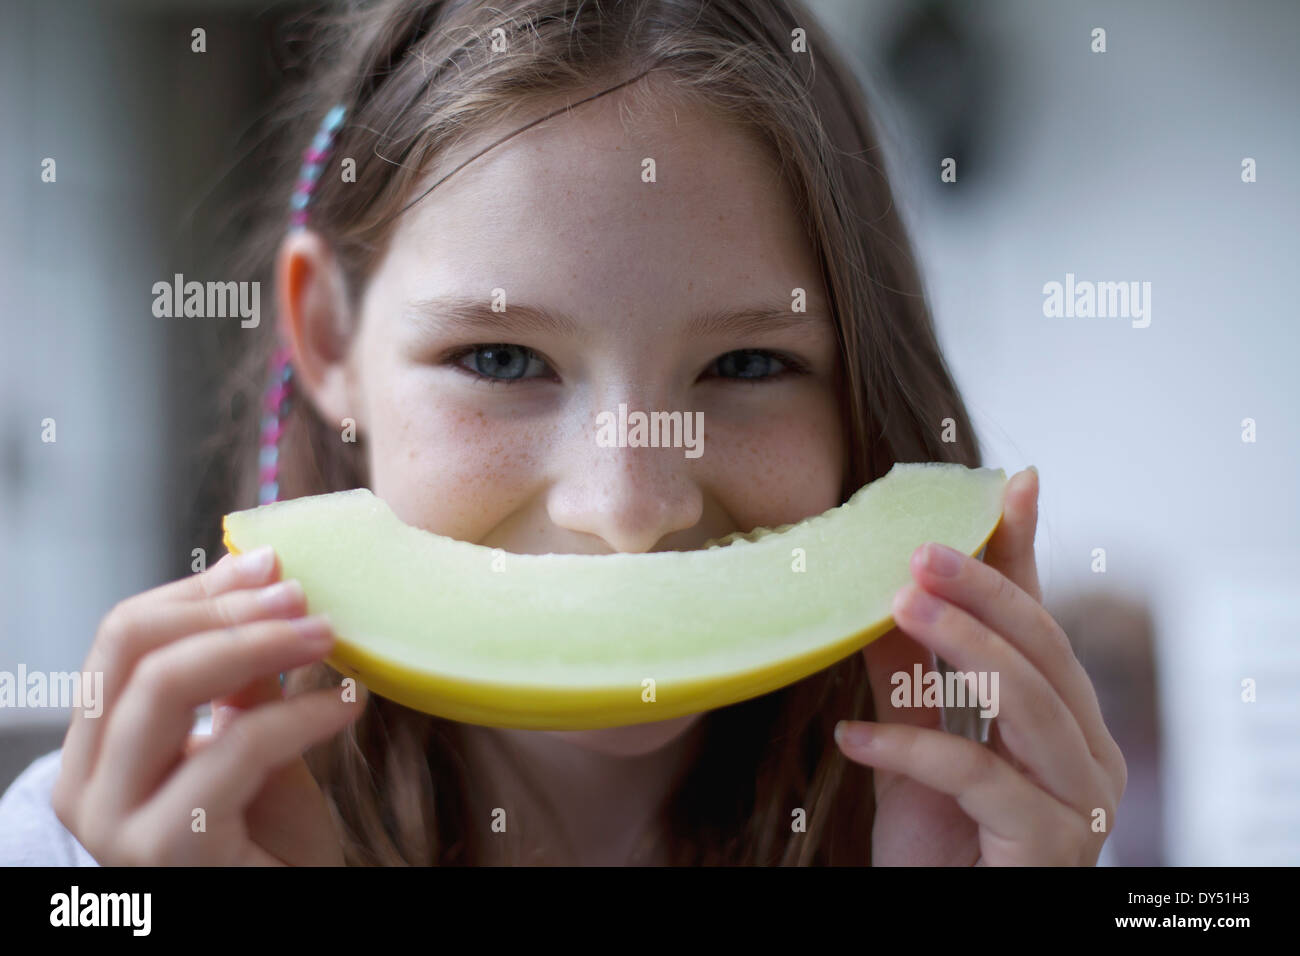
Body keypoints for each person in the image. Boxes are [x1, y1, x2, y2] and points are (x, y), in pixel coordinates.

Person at [0, 0, 1124, 865]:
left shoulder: (1000, 838)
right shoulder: (82, 854)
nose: (628, 507)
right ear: (327, 338)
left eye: (746, 365)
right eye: (499, 360)